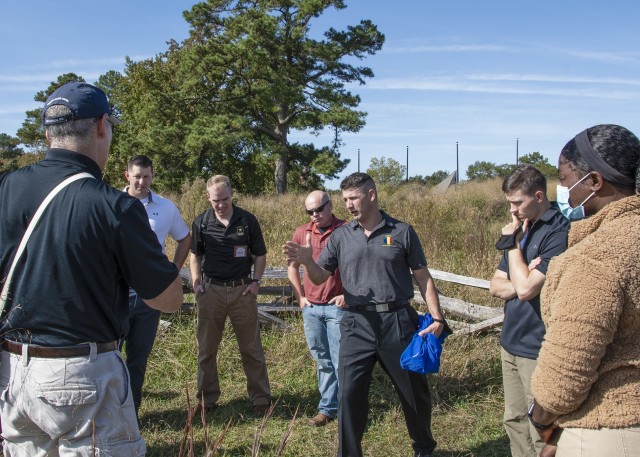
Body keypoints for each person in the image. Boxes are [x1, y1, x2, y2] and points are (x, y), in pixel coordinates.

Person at [0, 81, 183, 455]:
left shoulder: (6, 187)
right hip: (83, 375)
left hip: (13, 372)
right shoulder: (115, 207)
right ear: (102, 126)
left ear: (49, 133)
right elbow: (169, 300)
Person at [284, 172, 448, 457]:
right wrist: (308, 261)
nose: (348, 204)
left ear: (371, 195)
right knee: (349, 396)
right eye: (345, 199)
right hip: (355, 323)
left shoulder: (402, 231)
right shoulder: (341, 236)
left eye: (354, 198)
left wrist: (437, 318)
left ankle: (424, 448)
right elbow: (321, 277)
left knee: (413, 392)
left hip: (397, 320)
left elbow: (423, 277)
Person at [529, 124, 640, 457]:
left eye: (564, 180)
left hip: (611, 427)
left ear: (594, 181)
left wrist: (541, 417)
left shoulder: (596, 256)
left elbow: (566, 369)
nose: (562, 190)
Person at [489, 165, 569, 457]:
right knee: (514, 419)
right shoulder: (524, 228)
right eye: (509, 202)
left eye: (517, 203)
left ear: (538, 195)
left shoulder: (559, 230)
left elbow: (525, 291)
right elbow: (496, 285)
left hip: (539, 345)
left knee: (543, 428)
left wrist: (512, 246)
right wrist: (521, 272)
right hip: (510, 340)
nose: (512, 210)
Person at [189, 175, 271, 415]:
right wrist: (196, 283)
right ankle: (207, 401)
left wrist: (256, 282)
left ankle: (260, 399)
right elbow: (195, 255)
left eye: (225, 199)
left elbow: (260, 254)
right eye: (216, 200)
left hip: (242, 291)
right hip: (211, 291)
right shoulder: (201, 223)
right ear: (208, 197)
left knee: (251, 348)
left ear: (232, 194)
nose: (221, 204)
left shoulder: (247, 220)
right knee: (207, 350)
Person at [121, 154, 192, 417]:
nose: (141, 181)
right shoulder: (111, 201)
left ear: (153, 176)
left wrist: (172, 270)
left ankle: (131, 417)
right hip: (116, 293)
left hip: (149, 295)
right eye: (137, 176)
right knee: (109, 358)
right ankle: (107, 417)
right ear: (127, 175)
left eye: (147, 176)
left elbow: (185, 239)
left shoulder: (166, 207)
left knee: (137, 361)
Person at [287, 190, 346, 427]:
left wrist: (346, 295)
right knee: (323, 360)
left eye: (319, 209)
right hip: (312, 308)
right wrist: (300, 297)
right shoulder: (302, 232)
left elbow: (358, 266)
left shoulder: (346, 230)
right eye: (309, 211)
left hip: (337, 307)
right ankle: (327, 408)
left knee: (342, 360)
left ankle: (348, 409)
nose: (315, 215)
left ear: (330, 206)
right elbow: (292, 267)